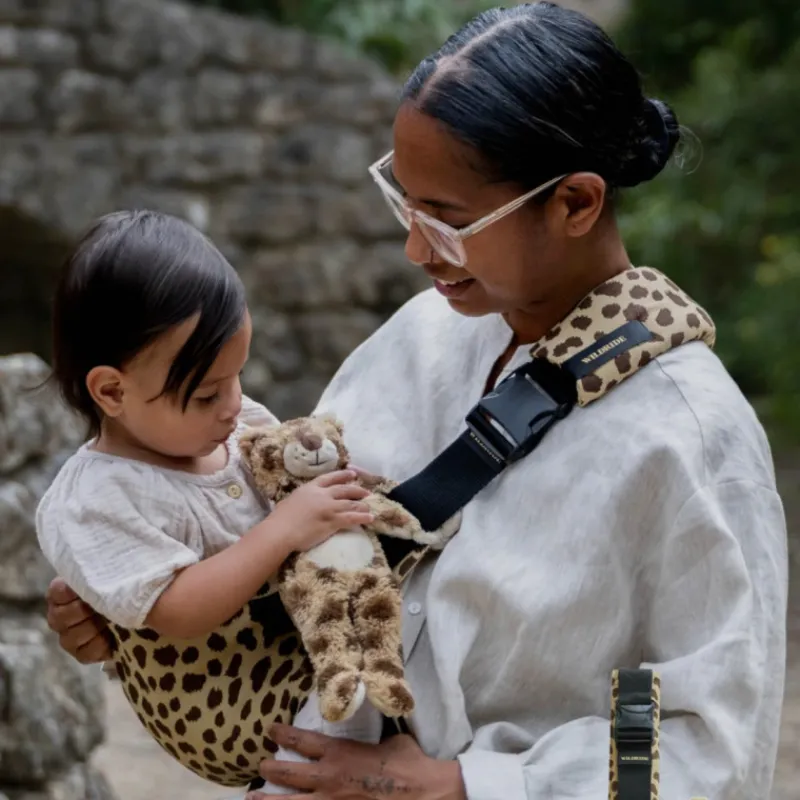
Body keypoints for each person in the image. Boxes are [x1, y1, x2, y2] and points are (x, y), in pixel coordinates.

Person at [44, 4, 788, 800]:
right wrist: (136, 601)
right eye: (406, 205)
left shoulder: (690, 438)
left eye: (449, 220)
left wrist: (463, 783)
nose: (414, 248)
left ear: (575, 203)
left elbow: (708, 748)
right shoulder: (421, 337)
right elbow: (297, 556)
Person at [35, 208, 382, 791]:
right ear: (113, 390)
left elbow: (289, 481)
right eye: (205, 393)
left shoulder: (237, 424)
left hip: (295, 651)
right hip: (226, 703)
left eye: (237, 377)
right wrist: (285, 531)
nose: (231, 405)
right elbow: (177, 610)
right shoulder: (94, 498)